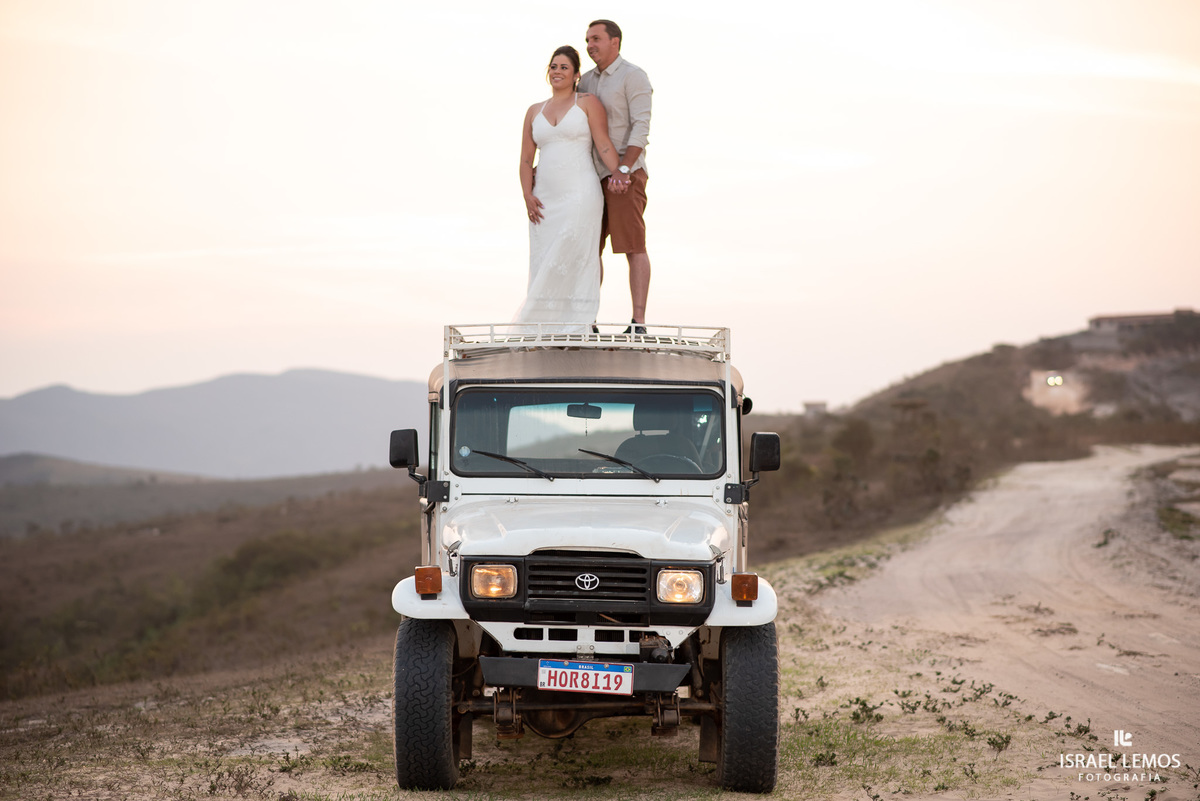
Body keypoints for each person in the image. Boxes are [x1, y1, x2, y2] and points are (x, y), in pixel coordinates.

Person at [514, 45, 623, 333]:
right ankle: (540, 326)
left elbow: (603, 143)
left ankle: (577, 325)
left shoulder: (587, 102)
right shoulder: (534, 111)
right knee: (545, 256)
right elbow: (526, 159)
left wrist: (620, 171)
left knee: (575, 253)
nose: (557, 71)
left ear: (576, 75)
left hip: (580, 195)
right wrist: (527, 195)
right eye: (553, 66)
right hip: (545, 200)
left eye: (564, 67)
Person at [579, 19, 653, 333]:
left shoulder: (633, 76)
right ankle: (588, 320)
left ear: (615, 41)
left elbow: (641, 127)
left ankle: (638, 323)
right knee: (589, 249)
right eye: (587, 40)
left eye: (596, 39)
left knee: (632, 245)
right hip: (589, 176)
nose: (590, 45)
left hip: (626, 175)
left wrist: (623, 169)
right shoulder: (584, 82)